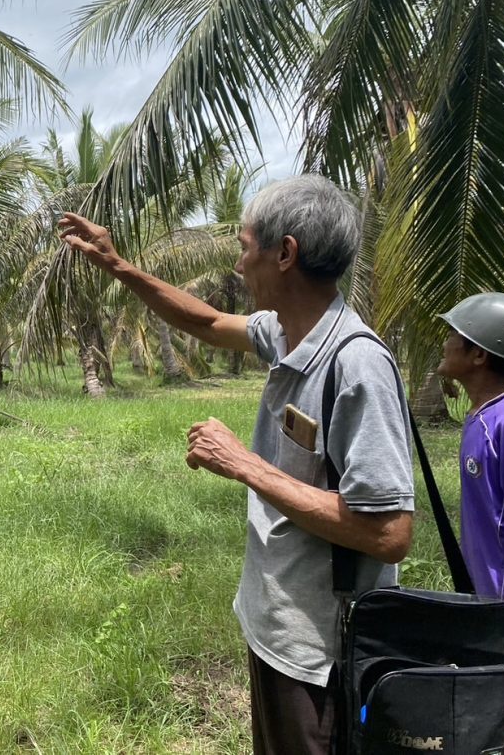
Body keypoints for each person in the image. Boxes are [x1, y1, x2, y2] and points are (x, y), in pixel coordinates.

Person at [60, 174, 414, 754]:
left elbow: (389, 532)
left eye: (245, 247)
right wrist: (118, 265)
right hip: (277, 624)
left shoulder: (358, 368)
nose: (238, 264)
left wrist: (246, 465)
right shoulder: (284, 331)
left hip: (320, 654)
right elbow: (203, 322)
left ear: (285, 253)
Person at [436, 292, 504, 748]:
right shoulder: (484, 414)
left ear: (478, 355)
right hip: (495, 610)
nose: (445, 343)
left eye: (454, 337)